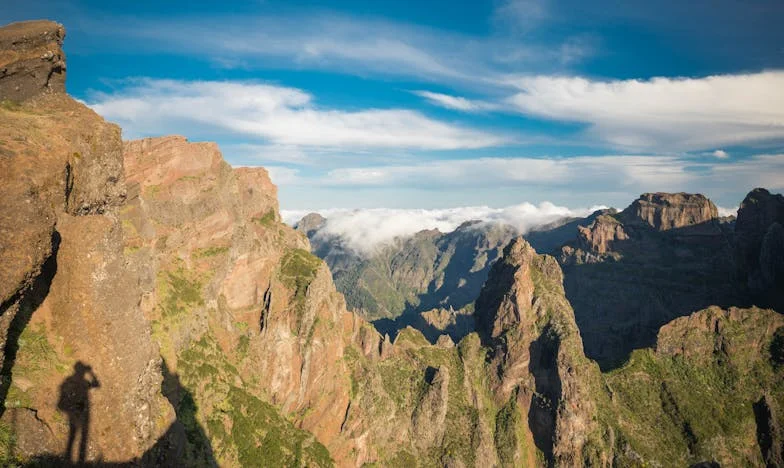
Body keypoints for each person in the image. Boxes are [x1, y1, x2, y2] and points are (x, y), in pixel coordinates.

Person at [58, 361, 100, 464]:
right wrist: (91, 373)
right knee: (79, 436)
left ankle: (69, 458)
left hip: (75, 411)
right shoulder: (83, 382)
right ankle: (72, 459)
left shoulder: (71, 381)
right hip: (78, 412)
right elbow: (97, 384)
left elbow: (96, 385)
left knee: (73, 436)